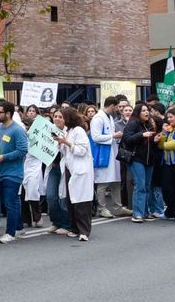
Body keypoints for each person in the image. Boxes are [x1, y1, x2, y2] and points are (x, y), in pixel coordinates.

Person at [0, 101, 28, 243]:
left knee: (10, 202)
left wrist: (4, 157)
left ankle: (10, 233)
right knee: (9, 201)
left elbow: (22, 150)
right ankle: (19, 226)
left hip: (13, 173)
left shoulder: (17, 130)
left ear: (8, 114)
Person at [54, 106, 95, 241]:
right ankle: (75, 227)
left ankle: (84, 230)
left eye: (62, 117)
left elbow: (81, 151)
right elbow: (65, 151)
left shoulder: (79, 131)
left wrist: (65, 142)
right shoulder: (68, 131)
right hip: (70, 168)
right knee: (71, 199)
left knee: (82, 201)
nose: (60, 120)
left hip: (80, 169)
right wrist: (61, 143)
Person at [123, 103, 165, 220]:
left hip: (149, 159)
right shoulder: (133, 124)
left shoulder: (149, 124)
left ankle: (145, 211)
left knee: (147, 186)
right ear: (138, 112)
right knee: (140, 185)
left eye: (147, 110)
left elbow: (150, 142)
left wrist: (155, 139)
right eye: (143, 111)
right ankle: (137, 213)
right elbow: (127, 139)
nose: (146, 113)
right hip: (137, 158)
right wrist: (142, 135)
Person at [90, 96, 127, 218]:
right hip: (103, 153)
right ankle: (102, 208)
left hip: (112, 152)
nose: (118, 109)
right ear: (112, 106)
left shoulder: (109, 117)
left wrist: (114, 136)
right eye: (117, 106)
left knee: (116, 181)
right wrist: (113, 136)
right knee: (103, 181)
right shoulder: (98, 118)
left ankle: (117, 207)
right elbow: (95, 137)